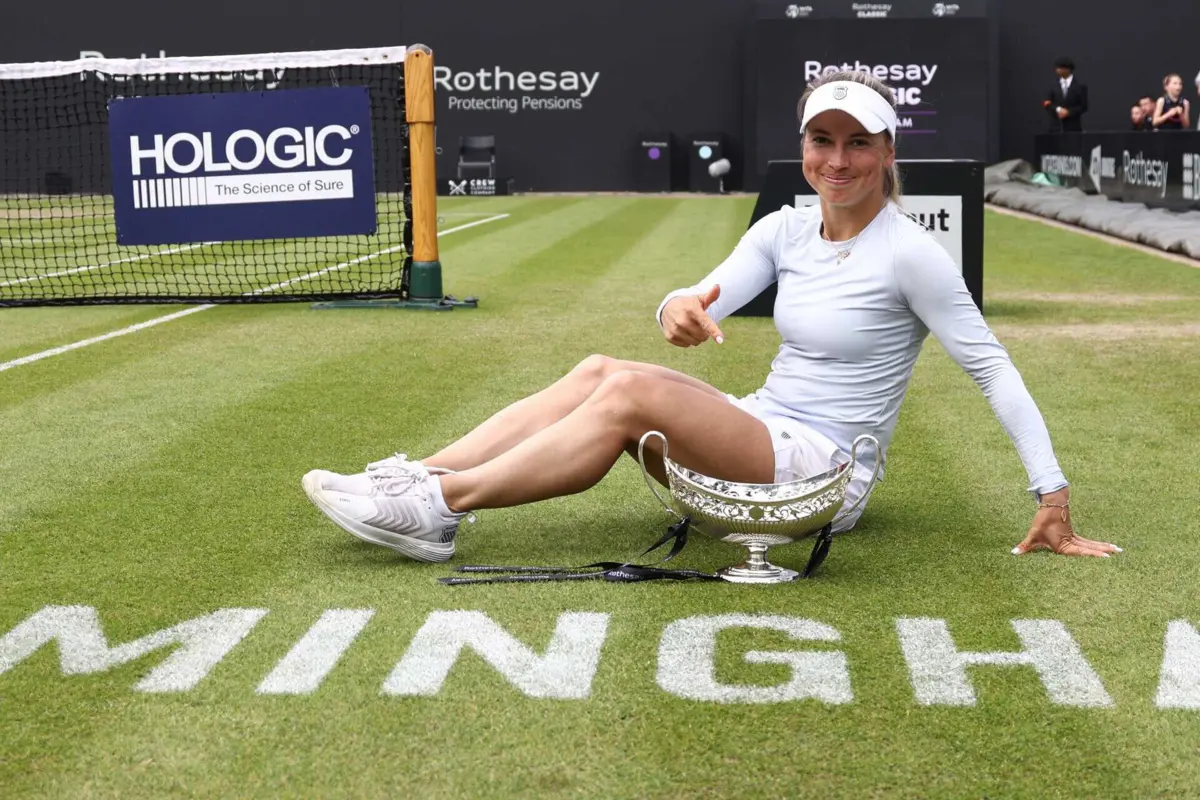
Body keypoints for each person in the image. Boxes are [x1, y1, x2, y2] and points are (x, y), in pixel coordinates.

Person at [302, 70, 1122, 564]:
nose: (836, 161)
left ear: (887, 154)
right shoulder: (783, 228)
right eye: (821, 139)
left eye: (858, 144)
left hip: (824, 477)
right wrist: (680, 310)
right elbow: (695, 295)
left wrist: (1051, 493)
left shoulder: (911, 253)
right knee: (601, 371)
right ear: (804, 144)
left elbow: (992, 368)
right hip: (765, 428)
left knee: (629, 401)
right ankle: (421, 479)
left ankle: (442, 513)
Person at [1044, 57, 1088, 132]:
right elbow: (1047, 103)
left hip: (1073, 127)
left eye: (1060, 68)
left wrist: (1069, 112)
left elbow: (1083, 106)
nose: (1057, 70)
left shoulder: (1080, 86)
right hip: (1055, 127)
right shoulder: (1053, 85)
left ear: (1068, 69)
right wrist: (1058, 109)